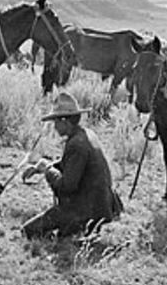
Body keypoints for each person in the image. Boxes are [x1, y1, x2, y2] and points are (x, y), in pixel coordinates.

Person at [21, 92, 123, 239]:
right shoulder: (85, 135)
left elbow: (67, 186)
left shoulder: (76, 144)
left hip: (84, 210)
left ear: (65, 121)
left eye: (56, 121)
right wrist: (41, 167)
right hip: (99, 206)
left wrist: (47, 170)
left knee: (28, 231)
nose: (55, 126)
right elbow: (70, 166)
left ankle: (78, 229)